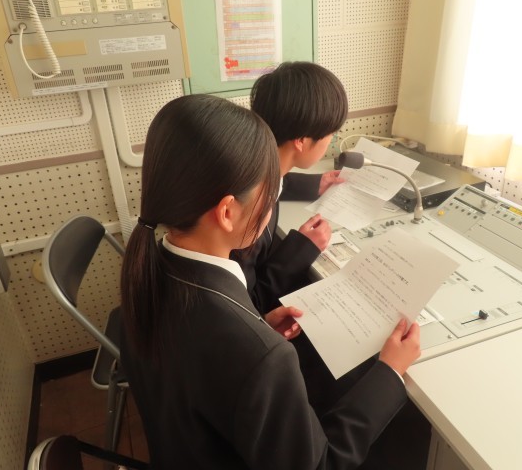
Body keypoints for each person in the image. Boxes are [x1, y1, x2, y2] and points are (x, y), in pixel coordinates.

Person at [120, 93, 421, 469]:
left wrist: (258, 325)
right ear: (227, 212)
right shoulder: (262, 356)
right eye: (270, 190)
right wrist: (390, 372)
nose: (273, 199)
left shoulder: (147, 273)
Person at [230, 61, 347, 315]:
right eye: (331, 135)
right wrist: (302, 249)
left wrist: (316, 183)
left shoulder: (254, 166)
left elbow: (280, 180)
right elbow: (251, 302)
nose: (331, 141)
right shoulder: (248, 211)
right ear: (302, 141)